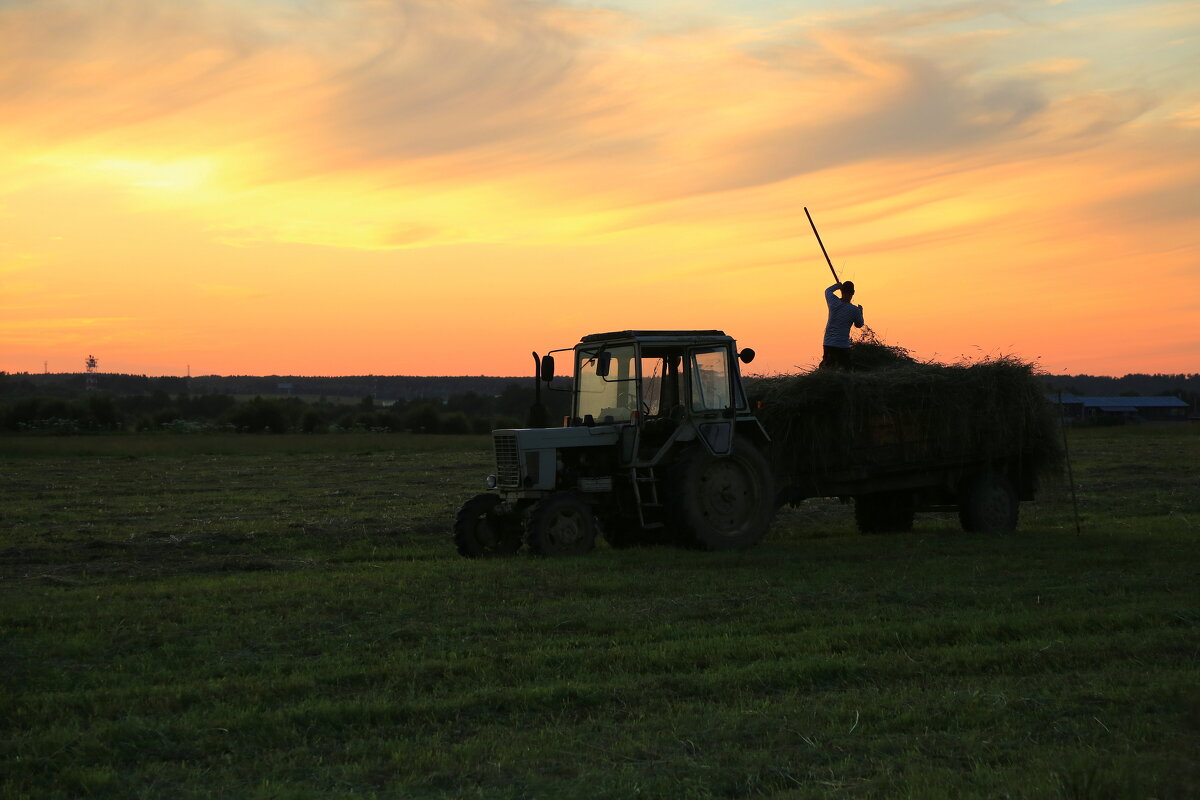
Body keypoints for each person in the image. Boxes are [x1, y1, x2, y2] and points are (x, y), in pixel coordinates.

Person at [820, 281, 864, 369]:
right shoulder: (854, 310)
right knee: (845, 369)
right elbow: (859, 324)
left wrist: (837, 286)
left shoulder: (834, 302)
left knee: (827, 368)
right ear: (853, 292)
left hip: (829, 342)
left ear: (841, 291)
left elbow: (827, 291)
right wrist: (861, 312)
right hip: (843, 345)